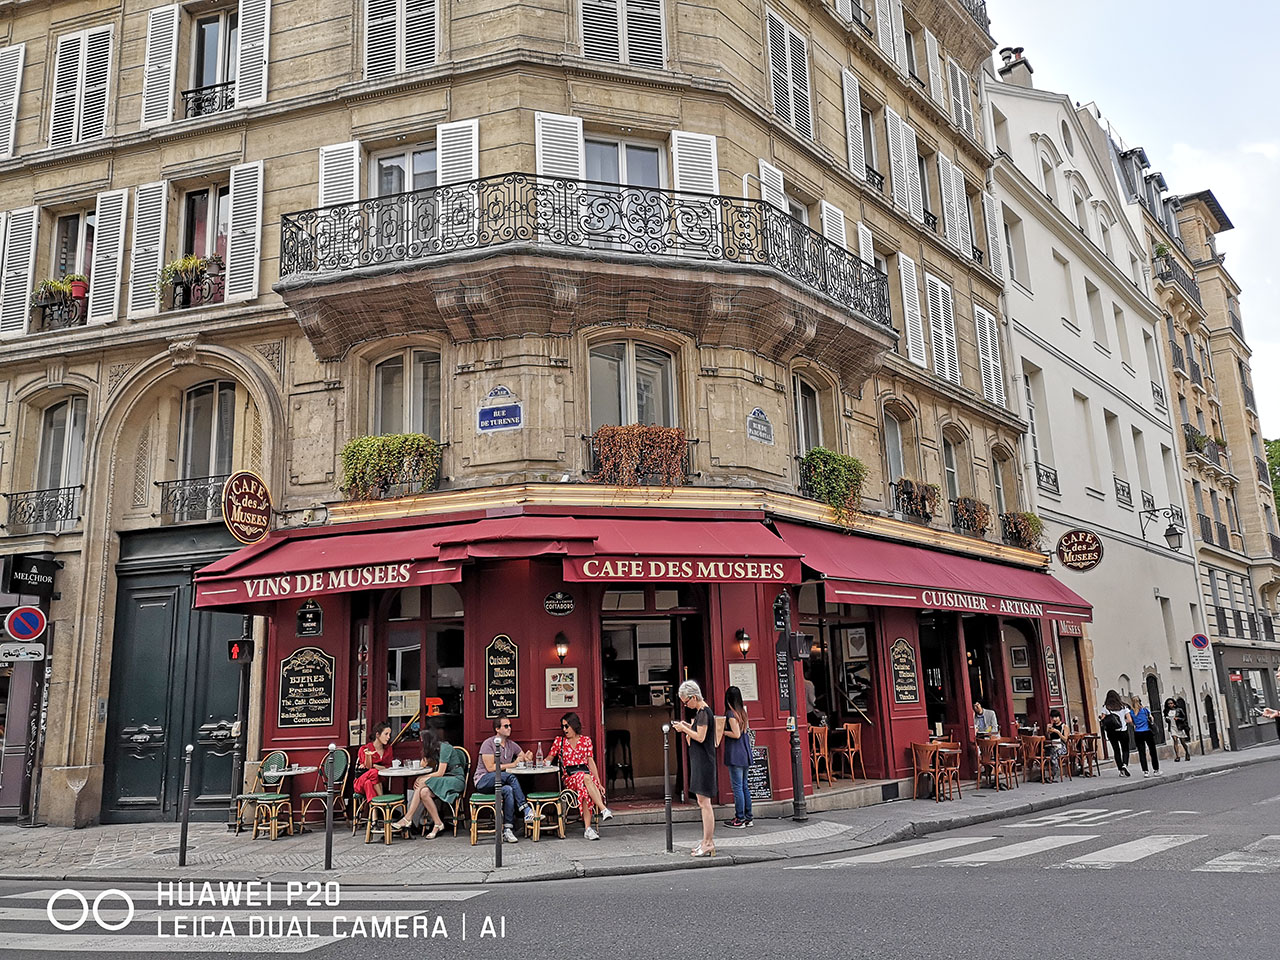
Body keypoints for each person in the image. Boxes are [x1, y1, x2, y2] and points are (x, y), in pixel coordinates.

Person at [546, 712, 612, 840]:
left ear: (574, 725)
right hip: (570, 778)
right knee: (586, 778)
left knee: (585, 787)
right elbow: (549, 759)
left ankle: (588, 829)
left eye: (567, 726)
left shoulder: (586, 740)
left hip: (585, 778)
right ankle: (603, 809)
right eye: (563, 727)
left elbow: (590, 762)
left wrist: (599, 782)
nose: (564, 729)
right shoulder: (559, 742)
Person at [393, 726, 466, 838]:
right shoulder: (434, 749)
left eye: (422, 740)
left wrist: (423, 778)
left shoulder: (445, 747)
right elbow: (423, 764)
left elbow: (440, 772)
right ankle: (438, 823)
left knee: (422, 783)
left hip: (455, 779)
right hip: (444, 780)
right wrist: (427, 753)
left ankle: (407, 818)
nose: (421, 742)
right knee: (424, 792)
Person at [474, 714, 537, 843]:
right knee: (511, 777)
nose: (509, 728)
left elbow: (523, 757)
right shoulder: (488, 744)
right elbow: (491, 768)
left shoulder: (511, 745)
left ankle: (508, 829)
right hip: (483, 780)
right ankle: (525, 809)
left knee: (508, 790)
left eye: (510, 726)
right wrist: (513, 765)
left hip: (500, 781)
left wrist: (528, 757)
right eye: (506, 726)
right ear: (497, 729)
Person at [672, 679, 717, 857]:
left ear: (693, 697)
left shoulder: (704, 712)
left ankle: (708, 843)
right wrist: (686, 725)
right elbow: (698, 733)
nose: (685, 705)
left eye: (685, 701)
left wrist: (684, 729)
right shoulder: (701, 712)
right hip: (701, 760)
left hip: (704, 762)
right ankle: (706, 841)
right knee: (702, 802)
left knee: (705, 804)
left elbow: (700, 736)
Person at [722, 686, 753, 829]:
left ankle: (739, 818)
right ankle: (748, 817)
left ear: (728, 698)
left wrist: (722, 731)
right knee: (744, 786)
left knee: (738, 787)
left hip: (736, 754)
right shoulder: (742, 712)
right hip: (745, 752)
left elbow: (736, 734)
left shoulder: (730, 714)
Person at [352, 719, 395, 802]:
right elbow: (368, 767)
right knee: (374, 772)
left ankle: (375, 813)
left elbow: (389, 767)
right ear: (377, 735)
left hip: (379, 783)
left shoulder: (388, 749)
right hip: (361, 781)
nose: (388, 737)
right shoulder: (365, 749)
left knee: (369, 783)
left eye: (389, 734)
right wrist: (378, 767)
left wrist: (375, 765)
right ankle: (383, 802)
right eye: (386, 734)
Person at [1100, 690, 1133, 777]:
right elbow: (1130, 720)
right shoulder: (1124, 706)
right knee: (1125, 749)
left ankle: (1120, 770)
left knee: (1116, 750)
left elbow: (1102, 719)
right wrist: (1123, 722)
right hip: (1123, 731)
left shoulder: (1106, 707)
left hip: (1112, 732)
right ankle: (1125, 764)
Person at [1130, 695, 1160, 778]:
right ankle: (1156, 769)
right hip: (1147, 731)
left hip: (1138, 733)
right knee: (1152, 751)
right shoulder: (1145, 710)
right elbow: (1152, 719)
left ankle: (1145, 771)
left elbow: (1131, 723)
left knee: (1141, 752)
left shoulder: (1131, 712)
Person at [1164, 697, 1192, 762]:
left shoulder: (1179, 710)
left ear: (1174, 703)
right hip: (1172, 727)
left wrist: (1178, 718)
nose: (1170, 705)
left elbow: (1184, 718)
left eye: (1171, 703)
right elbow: (1166, 719)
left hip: (1179, 727)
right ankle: (1177, 756)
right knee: (1175, 740)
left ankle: (1187, 753)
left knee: (1183, 742)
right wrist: (1167, 719)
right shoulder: (1167, 711)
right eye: (1168, 704)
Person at [1046, 708, 1069, 780]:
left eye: (1056, 717)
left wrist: (1058, 732)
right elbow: (1049, 738)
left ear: (1059, 717)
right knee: (1047, 752)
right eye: (1053, 717)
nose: (1054, 719)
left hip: (1062, 747)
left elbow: (1065, 739)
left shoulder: (1064, 726)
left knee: (1054, 753)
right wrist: (1048, 731)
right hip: (1053, 745)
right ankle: (1047, 773)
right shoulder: (1051, 726)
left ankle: (1055, 772)